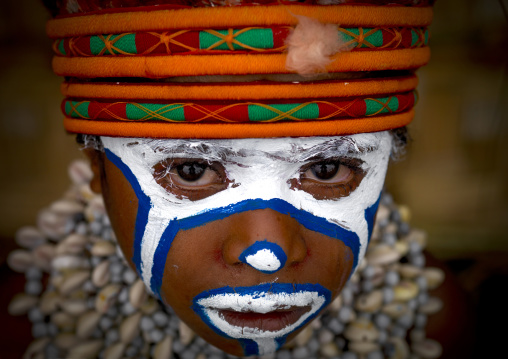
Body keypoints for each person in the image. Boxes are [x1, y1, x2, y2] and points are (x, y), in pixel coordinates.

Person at [9, 0, 452, 357]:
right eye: (191, 171)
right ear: (97, 169)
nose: (268, 255)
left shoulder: (437, 326)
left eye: (326, 169)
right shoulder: (25, 330)